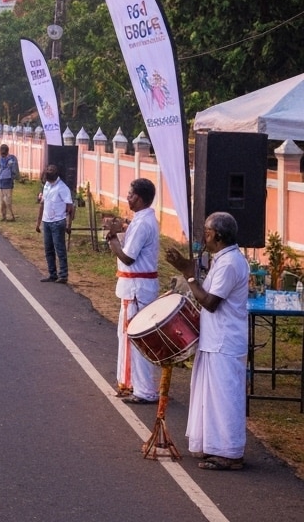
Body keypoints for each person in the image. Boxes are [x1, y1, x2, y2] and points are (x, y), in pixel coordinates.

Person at [165, 212, 249, 471]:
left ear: (218, 236)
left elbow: (211, 302)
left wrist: (189, 276)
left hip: (225, 341)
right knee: (210, 397)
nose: (204, 236)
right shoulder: (223, 259)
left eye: (207, 231)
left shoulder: (229, 264)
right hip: (215, 339)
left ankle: (231, 454)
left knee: (225, 398)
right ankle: (214, 446)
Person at [102, 178, 161, 404]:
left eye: (131, 194)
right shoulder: (141, 220)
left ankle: (143, 389)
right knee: (127, 336)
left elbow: (128, 257)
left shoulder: (144, 223)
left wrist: (112, 237)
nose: (128, 197)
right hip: (134, 288)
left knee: (135, 338)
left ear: (142, 198)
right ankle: (132, 384)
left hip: (137, 289)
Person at [35, 163, 74, 283]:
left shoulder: (62, 188)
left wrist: (68, 225)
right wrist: (38, 223)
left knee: (60, 249)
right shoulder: (47, 185)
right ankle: (52, 274)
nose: (47, 181)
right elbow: (42, 203)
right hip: (47, 221)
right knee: (48, 249)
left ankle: (63, 275)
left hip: (58, 222)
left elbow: (71, 207)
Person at [0, 144, 19, 221]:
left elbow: (15, 170)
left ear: (7, 152)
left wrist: (13, 177)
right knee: (1, 201)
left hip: (8, 182)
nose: (2, 155)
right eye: (1, 153)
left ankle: (11, 216)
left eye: (4, 153)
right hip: (0, 182)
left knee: (7, 200)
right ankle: (3, 216)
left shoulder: (11, 159)